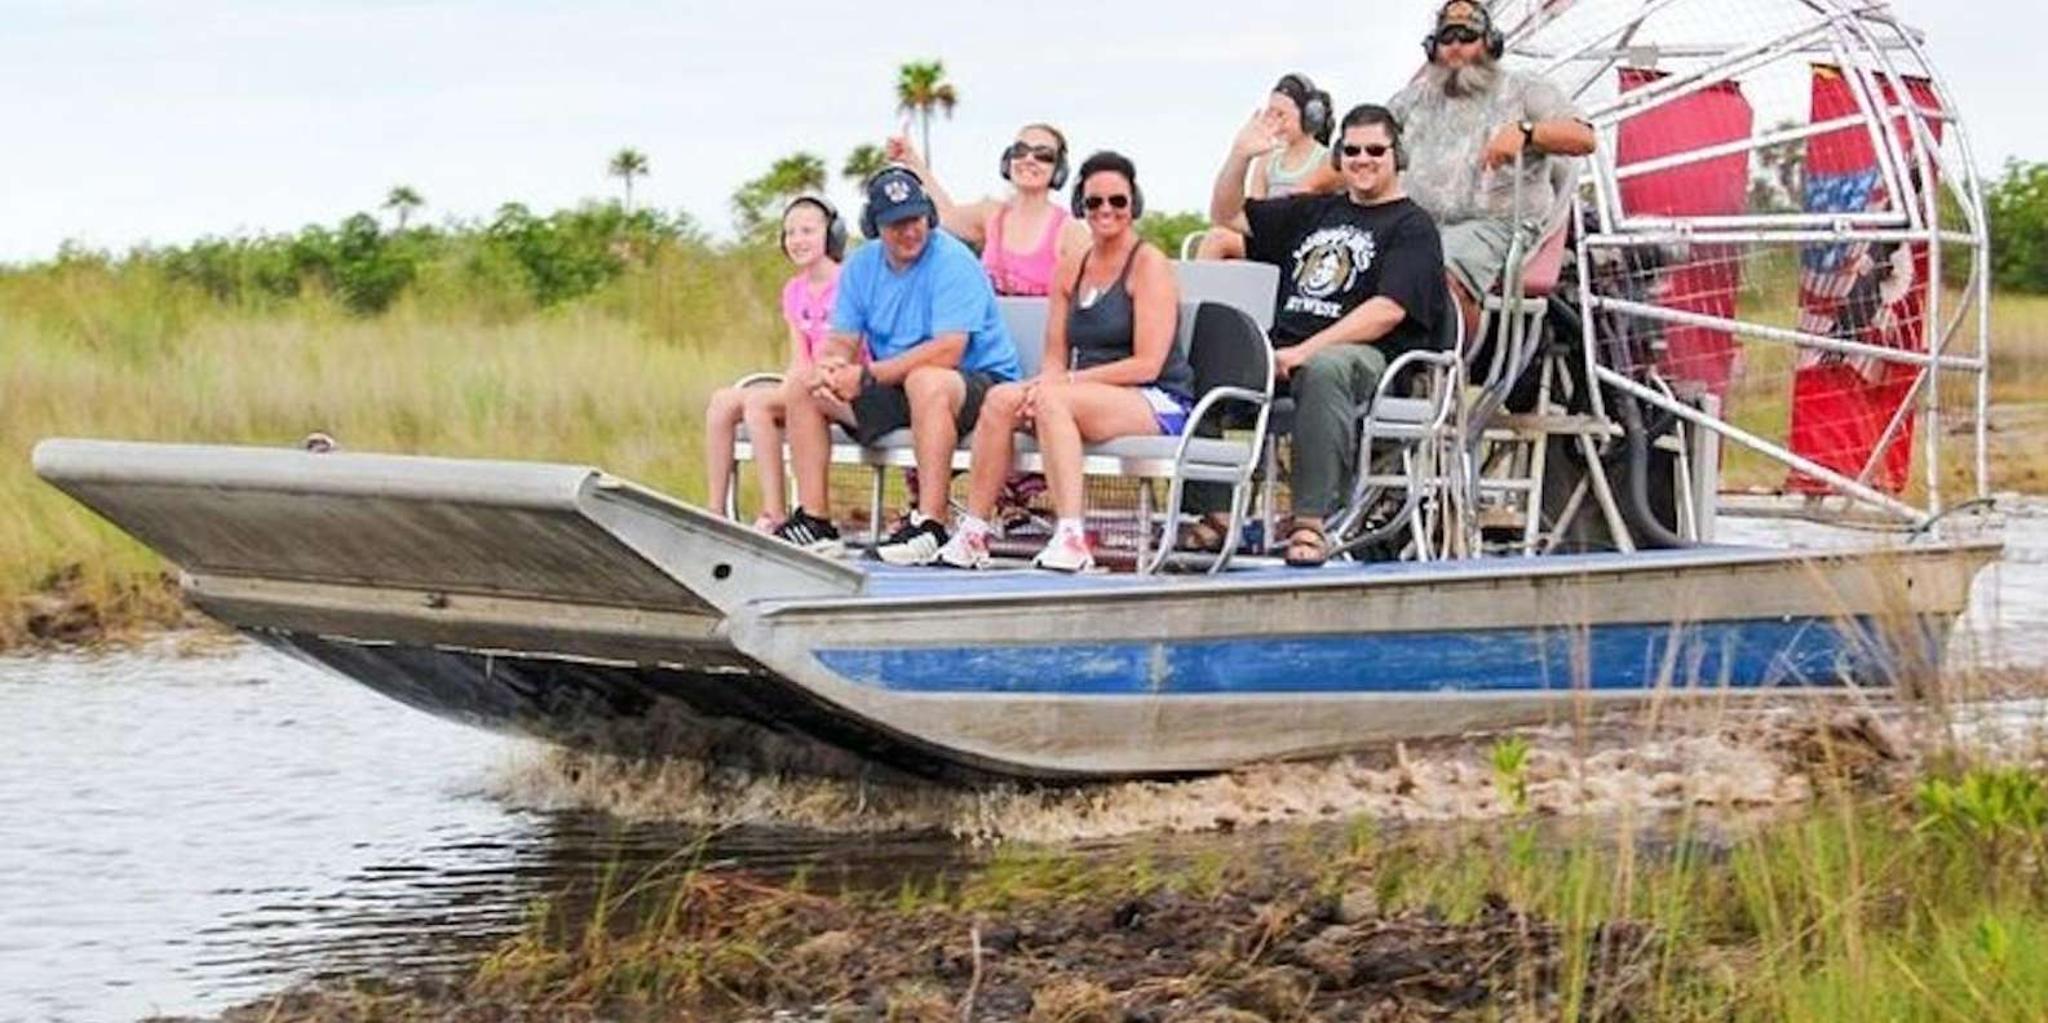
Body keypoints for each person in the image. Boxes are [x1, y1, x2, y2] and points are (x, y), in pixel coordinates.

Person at [1205, 103, 1448, 567]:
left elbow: (1386, 311)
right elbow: (1226, 215)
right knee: (1210, 351)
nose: (1363, 159)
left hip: (1368, 359)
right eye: (1352, 150)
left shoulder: (1412, 226)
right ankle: (1214, 517)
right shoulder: (1314, 212)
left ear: (1398, 155)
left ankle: (1310, 523)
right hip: (1287, 349)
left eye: (1375, 149)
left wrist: (1303, 352)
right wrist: (1240, 156)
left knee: (1325, 367)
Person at [931, 152, 1192, 573]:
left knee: (1055, 402)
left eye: (1117, 201)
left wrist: (1063, 385)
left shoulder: (1149, 265)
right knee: (1000, 399)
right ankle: (975, 531)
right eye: (1094, 203)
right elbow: (1054, 357)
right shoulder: (1071, 267)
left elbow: (1147, 364)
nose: (1106, 210)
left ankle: (1072, 536)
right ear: (1081, 207)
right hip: (1082, 391)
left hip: (1153, 397)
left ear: (1133, 205)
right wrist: (1044, 385)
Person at [1300, 1, 1595, 336]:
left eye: (1466, 36)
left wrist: (1529, 132)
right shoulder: (1410, 101)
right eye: (1447, 38)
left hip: (1493, 224)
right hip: (1414, 222)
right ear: (1433, 48)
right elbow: (1362, 150)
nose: (1456, 47)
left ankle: (1447, 374)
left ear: (1489, 43)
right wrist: (1307, 191)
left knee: (1438, 273)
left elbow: (1583, 138)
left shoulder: (1525, 89)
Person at [772, 166, 1021, 561]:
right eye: (896, 224)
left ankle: (931, 524)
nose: (909, 232)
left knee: (928, 381)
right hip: (900, 383)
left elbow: (948, 351)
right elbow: (842, 338)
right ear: (875, 226)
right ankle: (815, 520)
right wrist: (831, 365)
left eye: (916, 220)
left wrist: (868, 376)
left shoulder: (953, 261)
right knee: (804, 385)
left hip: (976, 383)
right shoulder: (861, 266)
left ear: (930, 217)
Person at [702, 196, 843, 531]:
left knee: (757, 403)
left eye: (807, 230)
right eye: (790, 233)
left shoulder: (848, 282)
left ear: (831, 235)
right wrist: (794, 384)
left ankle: (775, 511)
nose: (797, 240)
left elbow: (842, 351)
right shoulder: (794, 290)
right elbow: (799, 356)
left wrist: (799, 385)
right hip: (805, 382)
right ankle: (714, 512)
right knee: (723, 402)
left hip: (839, 385)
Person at [889, 123, 1089, 296]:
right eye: (1020, 151)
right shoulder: (992, 214)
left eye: (1043, 155)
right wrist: (912, 161)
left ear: (1059, 170)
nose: (1029, 159)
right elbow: (946, 215)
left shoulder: (1069, 231)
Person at [1193, 73, 1335, 261]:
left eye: (1281, 115)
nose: (1275, 121)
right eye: (1271, 113)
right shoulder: (1267, 160)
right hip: (1269, 237)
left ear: (1309, 117)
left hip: (1304, 239)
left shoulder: (1325, 159)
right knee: (1217, 239)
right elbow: (1252, 210)